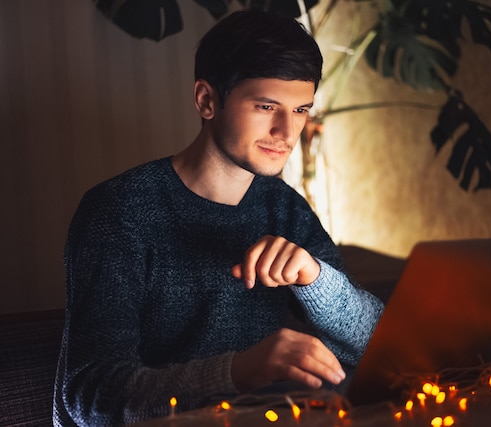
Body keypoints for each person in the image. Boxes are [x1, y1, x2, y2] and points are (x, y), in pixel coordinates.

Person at [53, 8, 384, 426]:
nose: (287, 131)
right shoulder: (119, 211)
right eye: (267, 106)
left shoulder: (285, 209)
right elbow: (90, 400)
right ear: (207, 100)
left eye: (301, 110)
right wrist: (235, 372)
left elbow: (380, 344)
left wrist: (317, 278)